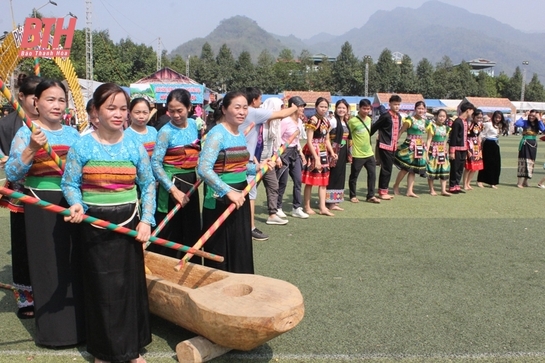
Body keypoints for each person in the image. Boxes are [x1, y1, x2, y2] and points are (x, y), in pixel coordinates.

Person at [62, 83, 154, 363]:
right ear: (95, 113)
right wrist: (76, 203)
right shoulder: (82, 145)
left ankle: (132, 349)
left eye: (122, 108)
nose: (118, 114)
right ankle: (103, 352)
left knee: (129, 287)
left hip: (129, 224)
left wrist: (147, 221)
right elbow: (70, 183)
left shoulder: (134, 145)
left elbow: (148, 184)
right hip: (94, 226)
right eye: (111, 108)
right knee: (101, 289)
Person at [5, 79, 85, 346]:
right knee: (47, 266)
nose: (57, 105)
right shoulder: (26, 132)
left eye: (61, 100)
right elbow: (13, 173)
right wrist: (31, 149)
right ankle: (54, 333)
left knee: (73, 264)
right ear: (36, 103)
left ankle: (80, 329)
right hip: (40, 205)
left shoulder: (74, 135)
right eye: (50, 99)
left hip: (71, 203)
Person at [197, 91, 257, 273]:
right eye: (237, 107)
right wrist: (228, 192)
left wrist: (261, 167)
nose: (242, 112)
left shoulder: (239, 133)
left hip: (240, 195)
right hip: (219, 199)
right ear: (224, 109)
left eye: (245, 108)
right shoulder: (217, 134)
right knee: (221, 251)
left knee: (240, 246)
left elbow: (239, 167)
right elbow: (204, 169)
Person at [0, 75, 41, 320]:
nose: (37, 103)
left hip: (51, 192)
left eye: (42, 97)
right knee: (23, 245)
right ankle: (26, 297)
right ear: (21, 97)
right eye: (33, 97)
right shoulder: (8, 125)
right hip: (22, 193)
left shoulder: (53, 121)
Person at [240, 87, 298, 240]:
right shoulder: (254, 113)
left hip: (255, 160)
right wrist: (295, 105)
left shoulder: (255, 117)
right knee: (248, 193)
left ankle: (252, 224)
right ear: (254, 100)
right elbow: (282, 114)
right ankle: (249, 228)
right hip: (246, 161)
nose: (262, 102)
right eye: (260, 99)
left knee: (251, 192)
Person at [150, 89, 201, 260]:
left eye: (180, 110)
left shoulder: (194, 125)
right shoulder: (165, 132)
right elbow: (155, 163)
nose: (176, 115)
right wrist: (173, 189)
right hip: (171, 184)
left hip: (191, 183)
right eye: (171, 110)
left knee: (191, 229)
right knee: (170, 232)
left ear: (189, 107)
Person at [302, 97, 337, 216]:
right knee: (310, 181)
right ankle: (307, 206)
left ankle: (322, 207)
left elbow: (326, 139)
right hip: (313, 151)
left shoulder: (326, 121)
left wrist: (332, 152)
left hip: (323, 151)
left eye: (326, 107)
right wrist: (315, 157)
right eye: (321, 106)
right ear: (316, 107)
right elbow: (309, 141)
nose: (323, 109)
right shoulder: (313, 120)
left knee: (324, 181)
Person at [276, 96, 309, 219]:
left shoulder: (299, 121)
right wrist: (278, 156)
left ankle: (296, 207)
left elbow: (296, 140)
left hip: (295, 152)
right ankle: (277, 207)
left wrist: (301, 153)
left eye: (302, 106)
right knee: (282, 181)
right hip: (284, 152)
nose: (302, 108)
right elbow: (278, 138)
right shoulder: (285, 121)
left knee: (298, 180)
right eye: (299, 106)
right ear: (292, 107)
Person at [260, 97, 288, 225]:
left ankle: (272, 214)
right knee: (250, 189)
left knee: (273, 185)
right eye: (280, 108)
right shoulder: (260, 122)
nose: (282, 111)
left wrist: (276, 157)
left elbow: (275, 143)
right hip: (256, 161)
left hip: (268, 161)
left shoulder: (275, 124)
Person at [392, 101, 428, 198]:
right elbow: (401, 131)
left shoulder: (425, 121)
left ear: (425, 110)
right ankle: (396, 186)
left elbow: (430, 134)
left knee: (413, 170)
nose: (420, 110)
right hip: (409, 146)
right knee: (405, 169)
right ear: (415, 109)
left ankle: (409, 191)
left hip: (419, 147)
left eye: (422, 109)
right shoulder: (409, 120)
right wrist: (394, 143)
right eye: (419, 108)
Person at [347, 99, 380, 204]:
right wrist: (349, 152)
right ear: (359, 108)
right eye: (364, 108)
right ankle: (353, 195)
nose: (366, 111)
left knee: (372, 175)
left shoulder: (369, 120)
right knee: (354, 176)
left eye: (368, 109)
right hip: (357, 154)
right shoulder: (352, 121)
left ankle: (371, 196)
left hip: (369, 153)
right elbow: (348, 137)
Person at [371, 95, 402, 200]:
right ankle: (382, 191)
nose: (397, 106)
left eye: (398, 104)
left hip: (393, 146)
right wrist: (368, 136)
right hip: (384, 145)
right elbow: (375, 126)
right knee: (386, 169)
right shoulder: (385, 116)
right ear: (390, 104)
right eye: (395, 104)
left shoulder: (399, 116)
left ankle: (384, 190)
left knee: (388, 169)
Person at [325, 99, 351, 210]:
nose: (341, 110)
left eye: (343, 108)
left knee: (340, 175)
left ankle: (335, 201)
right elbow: (325, 136)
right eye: (339, 108)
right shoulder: (333, 121)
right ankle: (330, 202)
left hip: (343, 150)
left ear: (347, 110)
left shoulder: (344, 121)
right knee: (334, 176)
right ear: (335, 109)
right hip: (335, 151)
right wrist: (331, 151)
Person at [448, 102, 475, 193]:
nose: (472, 113)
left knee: (460, 168)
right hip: (456, 149)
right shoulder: (457, 122)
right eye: (472, 111)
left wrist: (468, 149)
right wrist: (451, 151)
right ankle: (452, 186)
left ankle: (457, 185)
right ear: (468, 110)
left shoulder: (465, 122)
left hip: (464, 149)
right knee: (454, 168)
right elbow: (453, 137)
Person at [514, 109, 545, 188]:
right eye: (530, 115)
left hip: (533, 144)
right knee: (523, 162)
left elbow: (544, 130)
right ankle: (519, 182)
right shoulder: (525, 122)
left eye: (533, 116)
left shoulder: (538, 124)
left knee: (531, 162)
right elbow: (517, 124)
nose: (531, 117)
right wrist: (523, 116)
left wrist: (539, 119)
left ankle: (525, 181)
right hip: (525, 143)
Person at [477, 111, 506, 188]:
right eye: (496, 117)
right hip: (488, 144)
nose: (497, 119)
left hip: (495, 145)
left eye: (499, 118)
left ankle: (493, 182)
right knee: (486, 162)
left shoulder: (499, 126)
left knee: (496, 164)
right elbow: (482, 134)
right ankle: (480, 180)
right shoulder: (488, 124)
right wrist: (479, 145)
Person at [426, 109, 451, 196]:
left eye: (444, 116)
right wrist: (426, 153)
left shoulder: (446, 128)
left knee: (444, 169)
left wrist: (445, 150)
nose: (442, 118)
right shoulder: (432, 126)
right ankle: (431, 189)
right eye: (440, 116)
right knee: (432, 169)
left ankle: (443, 190)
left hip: (442, 151)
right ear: (436, 116)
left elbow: (445, 141)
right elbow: (429, 140)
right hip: (433, 150)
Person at [462, 109, 484, 190]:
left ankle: (468, 183)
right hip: (469, 145)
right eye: (478, 117)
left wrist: (479, 145)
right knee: (468, 167)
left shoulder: (480, 125)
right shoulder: (469, 124)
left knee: (475, 167)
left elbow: (479, 136)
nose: (479, 119)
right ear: (473, 116)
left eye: (480, 118)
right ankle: (464, 184)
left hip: (476, 146)